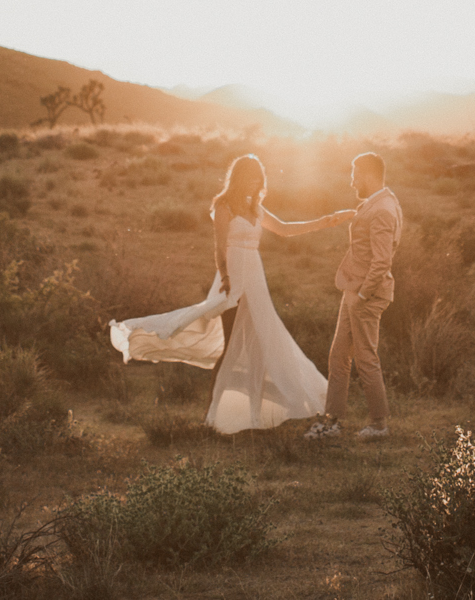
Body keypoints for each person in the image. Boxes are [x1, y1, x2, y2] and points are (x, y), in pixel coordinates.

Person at [108, 154, 354, 433]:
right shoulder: (223, 206)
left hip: (256, 282)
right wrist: (225, 275)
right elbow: (219, 245)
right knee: (228, 348)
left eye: (258, 178)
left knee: (266, 341)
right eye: (249, 177)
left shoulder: (257, 209)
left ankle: (258, 414)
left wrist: (329, 220)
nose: (254, 182)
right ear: (237, 178)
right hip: (232, 281)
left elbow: (285, 230)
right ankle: (212, 417)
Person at [306, 150, 403, 441]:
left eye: (354, 175)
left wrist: (362, 294)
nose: (351, 182)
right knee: (339, 357)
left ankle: (378, 425)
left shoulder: (383, 209)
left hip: (365, 295)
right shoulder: (379, 202)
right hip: (354, 290)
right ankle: (332, 421)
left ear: (369, 175)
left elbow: (382, 260)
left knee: (365, 358)